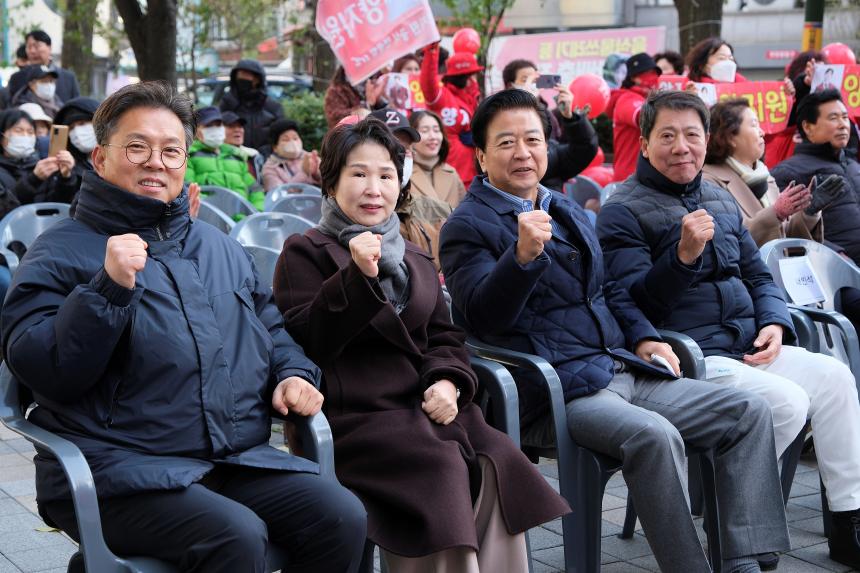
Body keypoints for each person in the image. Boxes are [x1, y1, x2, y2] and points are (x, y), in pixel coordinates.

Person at [0, 81, 367, 573]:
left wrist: (294, 374)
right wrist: (105, 290)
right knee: (237, 539)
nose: (156, 161)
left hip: (229, 459)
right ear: (101, 159)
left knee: (341, 516)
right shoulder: (59, 251)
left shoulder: (217, 247)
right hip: (116, 470)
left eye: (171, 150)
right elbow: (40, 368)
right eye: (137, 147)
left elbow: (271, 329)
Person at [439, 88, 791, 573]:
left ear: (547, 147)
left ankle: (742, 561)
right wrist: (519, 261)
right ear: (480, 155)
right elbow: (480, 319)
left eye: (533, 139)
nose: (522, 153)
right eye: (506, 143)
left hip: (617, 366)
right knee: (655, 436)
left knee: (748, 412)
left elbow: (609, 293)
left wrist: (645, 337)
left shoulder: (563, 206)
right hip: (558, 388)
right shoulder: (467, 224)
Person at [273, 116, 570, 572]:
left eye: (386, 175)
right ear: (331, 184)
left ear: (400, 184)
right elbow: (307, 340)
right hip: (356, 420)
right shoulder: (305, 251)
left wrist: (448, 381)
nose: (373, 188)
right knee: (441, 471)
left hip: (426, 408)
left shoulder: (412, 253)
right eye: (358, 173)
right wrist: (355, 279)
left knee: (499, 460)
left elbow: (445, 335)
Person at [596, 90, 860, 569]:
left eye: (691, 135)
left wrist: (775, 323)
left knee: (836, 378)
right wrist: (681, 258)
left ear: (705, 140)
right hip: (689, 355)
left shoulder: (717, 195)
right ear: (646, 142)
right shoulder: (622, 209)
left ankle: (847, 522)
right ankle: (736, 523)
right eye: (668, 136)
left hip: (748, 345)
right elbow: (632, 304)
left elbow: (759, 275)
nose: (682, 147)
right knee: (786, 401)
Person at [703, 98, 822, 246]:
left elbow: (785, 235)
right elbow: (730, 240)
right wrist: (776, 213)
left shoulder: (764, 176)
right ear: (730, 137)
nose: (762, 132)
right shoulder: (708, 182)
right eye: (754, 125)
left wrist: (809, 213)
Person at [771, 90, 860, 263]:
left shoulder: (854, 165)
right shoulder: (788, 172)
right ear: (807, 127)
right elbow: (786, 232)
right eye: (834, 118)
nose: (843, 124)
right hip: (837, 271)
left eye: (844, 116)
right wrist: (835, 254)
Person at [419, 43, 483, 186]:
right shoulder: (441, 98)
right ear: (461, 78)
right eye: (471, 76)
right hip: (451, 174)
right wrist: (431, 52)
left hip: (475, 173)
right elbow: (427, 83)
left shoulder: (473, 100)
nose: (474, 81)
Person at [0, 109, 76, 212]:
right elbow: (5, 209)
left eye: (30, 132)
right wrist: (34, 179)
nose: (25, 136)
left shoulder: (40, 166)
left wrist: (66, 177)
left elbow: (56, 206)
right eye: (18, 130)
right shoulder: (38, 171)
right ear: (2, 135)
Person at [185, 106, 260, 207]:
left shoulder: (236, 156)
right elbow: (189, 190)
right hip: (211, 218)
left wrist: (255, 213)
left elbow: (255, 189)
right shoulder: (189, 156)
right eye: (209, 126)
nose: (215, 129)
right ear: (197, 130)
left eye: (219, 125)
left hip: (243, 219)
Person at [611, 53, 663, 182]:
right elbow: (645, 117)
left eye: (655, 73)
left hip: (648, 177)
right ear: (634, 77)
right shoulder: (627, 98)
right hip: (629, 178)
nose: (653, 78)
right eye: (647, 73)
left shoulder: (651, 100)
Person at [408, 109, 465, 221]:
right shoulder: (404, 174)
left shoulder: (452, 173)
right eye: (425, 131)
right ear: (411, 138)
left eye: (436, 130)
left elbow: (466, 213)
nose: (433, 136)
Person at [218, 59, 284, 150]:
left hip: (264, 160)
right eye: (239, 75)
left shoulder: (272, 107)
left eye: (245, 74)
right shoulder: (227, 104)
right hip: (233, 157)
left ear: (257, 79)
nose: (241, 78)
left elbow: (281, 136)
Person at [6, 30, 80, 104]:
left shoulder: (68, 78)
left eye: (37, 46)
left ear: (50, 47)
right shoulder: (17, 78)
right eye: (28, 47)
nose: (32, 51)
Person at [261, 119, 321, 192]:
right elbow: (278, 195)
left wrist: (317, 175)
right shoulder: (270, 168)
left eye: (295, 138)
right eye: (286, 139)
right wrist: (303, 173)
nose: (293, 143)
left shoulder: (310, 158)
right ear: (275, 147)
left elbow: (332, 186)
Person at [222, 110, 262, 178]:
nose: (237, 130)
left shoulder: (254, 155)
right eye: (231, 126)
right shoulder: (215, 156)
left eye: (240, 126)